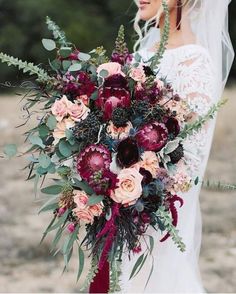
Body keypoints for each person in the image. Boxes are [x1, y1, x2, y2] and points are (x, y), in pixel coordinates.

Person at [119, 0, 234, 292]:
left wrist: (139, 179)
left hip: (161, 208)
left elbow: (191, 155)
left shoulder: (194, 61)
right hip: (125, 204)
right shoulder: (139, 57)